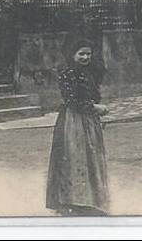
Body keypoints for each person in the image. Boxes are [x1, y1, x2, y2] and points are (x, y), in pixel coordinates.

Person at [46, 38, 109, 216]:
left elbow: (93, 96)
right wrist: (95, 108)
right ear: (72, 55)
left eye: (88, 54)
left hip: (89, 121)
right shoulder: (67, 74)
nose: (85, 57)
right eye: (81, 53)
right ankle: (69, 201)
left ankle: (88, 200)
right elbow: (72, 101)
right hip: (72, 122)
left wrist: (96, 111)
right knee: (73, 157)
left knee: (90, 157)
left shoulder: (90, 73)